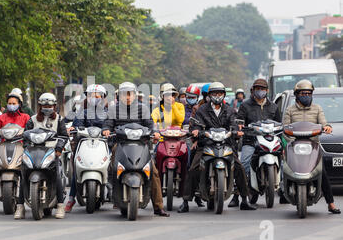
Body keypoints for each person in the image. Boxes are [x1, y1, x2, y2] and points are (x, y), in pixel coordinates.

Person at [178, 82, 257, 213]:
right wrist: (196, 131)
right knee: (193, 169)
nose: (217, 96)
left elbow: (234, 124)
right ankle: (186, 201)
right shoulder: (202, 110)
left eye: (220, 93)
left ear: (224, 95)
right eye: (214, 93)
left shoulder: (229, 110)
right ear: (209, 95)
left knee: (240, 167)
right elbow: (195, 124)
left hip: (226, 144)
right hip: (205, 145)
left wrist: (237, 131)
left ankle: (244, 200)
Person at [102, 82, 170, 217]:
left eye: (130, 94)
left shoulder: (143, 109)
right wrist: (106, 131)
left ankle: (158, 207)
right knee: (112, 168)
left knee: (154, 172)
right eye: (124, 94)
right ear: (119, 96)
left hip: (141, 145)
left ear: (134, 95)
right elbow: (107, 124)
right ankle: (115, 196)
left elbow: (151, 124)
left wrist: (155, 132)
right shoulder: (113, 109)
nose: (127, 97)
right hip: (120, 144)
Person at [282, 79, 340, 214]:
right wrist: (290, 141)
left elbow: (324, 123)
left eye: (309, 93)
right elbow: (285, 129)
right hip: (294, 145)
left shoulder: (317, 108)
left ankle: (330, 204)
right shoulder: (290, 110)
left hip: (313, 146)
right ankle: (282, 189)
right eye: (303, 93)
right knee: (285, 166)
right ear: (297, 95)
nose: (306, 96)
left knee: (322, 173)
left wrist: (327, 127)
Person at [14, 93, 69, 219]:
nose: (47, 107)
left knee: (57, 175)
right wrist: (27, 147)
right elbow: (25, 136)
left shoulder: (59, 120)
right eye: (44, 105)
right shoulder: (32, 120)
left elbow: (64, 136)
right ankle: (20, 207)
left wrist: (59, 149)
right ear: (40, 106)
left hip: (52, 152)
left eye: (50, 105)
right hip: (33, 152)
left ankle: (60, 205)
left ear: (54, 106)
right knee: (23, 175)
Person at [229, 79, 281, 207]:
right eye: (257, 89)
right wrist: (240, 127)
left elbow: (280, 125)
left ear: (267, 91)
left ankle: (284, 191)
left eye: (262, 89)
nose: (260, 91)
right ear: (253, 90)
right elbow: (239, 122)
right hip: (250, 141)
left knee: (283, 161)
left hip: (270, 141)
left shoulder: (274, 107)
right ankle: (236, 195)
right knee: (243, 164)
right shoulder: (245, 106)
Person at [0, 90, 30, 213]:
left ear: (19, 104)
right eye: (9, 103)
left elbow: (31, 131)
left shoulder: (25, 117)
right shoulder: (1, 118)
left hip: (20, 147)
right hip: (3, 146)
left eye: (14, 103)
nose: (11, 105)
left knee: (27, 170)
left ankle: (31, 195)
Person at [65, 84, 108, 212]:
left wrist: (108, 131)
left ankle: (115, 195)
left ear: (103, 97)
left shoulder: (108, 114)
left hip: (103, 145)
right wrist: (72, 129)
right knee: (78, 166)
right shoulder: (82, 113)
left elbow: (111, 126)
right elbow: (76, 125)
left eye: (97, 95)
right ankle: (71, 198)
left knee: (113, 166)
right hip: (84, 144)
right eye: (91, 95)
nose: (94, 98)